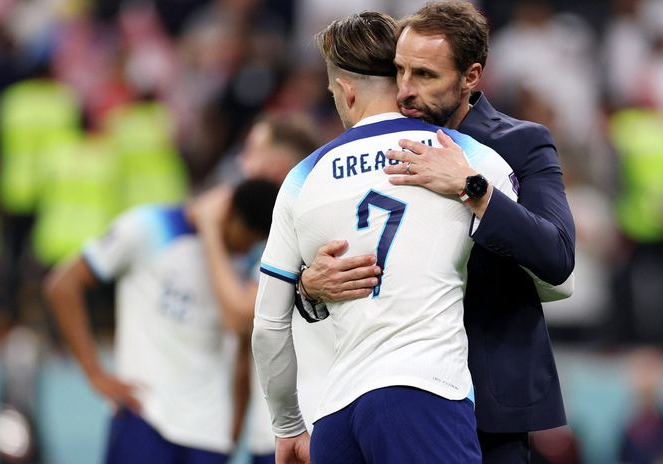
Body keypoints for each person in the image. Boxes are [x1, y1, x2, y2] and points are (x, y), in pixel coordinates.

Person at [298, 2, 576, 462]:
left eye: (425, 76)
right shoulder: (371, 150)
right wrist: (308, 287)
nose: (405, 91)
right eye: (400, 71)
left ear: (471, 77)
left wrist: (473, 189)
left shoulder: (520, 143)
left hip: (486, 394)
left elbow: (557, 254)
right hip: (382, 389)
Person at [251, 11, 519, 464]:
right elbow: (552, 274)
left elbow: (268, 327)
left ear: (347, 91)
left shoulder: (302, 178)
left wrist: (288, 426)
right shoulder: (463, 158)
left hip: (336, 415)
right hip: (424, 393)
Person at [44, 179, 279, 464]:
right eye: (244, 240)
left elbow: (243, 347)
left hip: (210, 436)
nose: (246, 250)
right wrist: (94, 372)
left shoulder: (256, 260)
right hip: (146, 418)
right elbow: (63, 286)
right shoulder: (148, 227)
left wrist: (232, 431)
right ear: (228, 214)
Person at [188, 114, 321, 464]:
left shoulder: (297, 227)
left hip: (301, 429)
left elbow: (239, 316)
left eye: (250, 152)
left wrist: (210, 229)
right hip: (283, 428)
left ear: (276, 167)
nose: (240, 163)